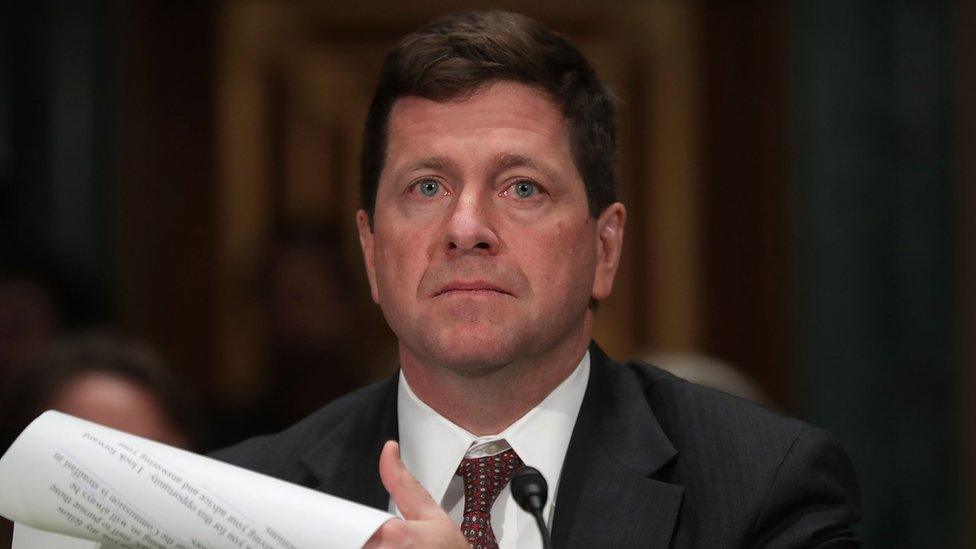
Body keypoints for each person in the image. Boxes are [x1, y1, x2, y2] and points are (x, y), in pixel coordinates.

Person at [213, 10, 861, 548]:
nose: (466, 227)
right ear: (371, 249)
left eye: (522, 187)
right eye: (427, 185)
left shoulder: (763, 488)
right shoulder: (242, 499)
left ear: (605, 249)